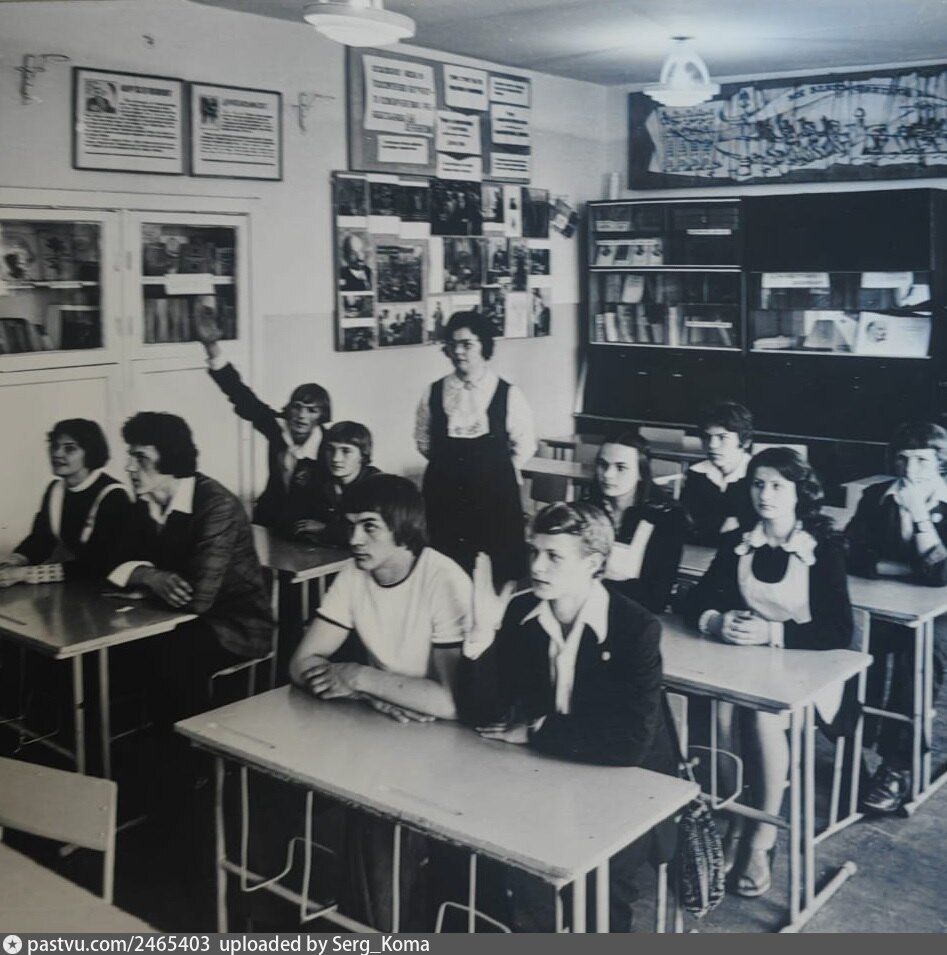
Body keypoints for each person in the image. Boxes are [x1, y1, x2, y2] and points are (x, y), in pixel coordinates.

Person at [458, 503, 677, 931]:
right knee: (485, 850)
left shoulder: (635, 628)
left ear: (593, 563)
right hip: (555, 772)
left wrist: (536, 730)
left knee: (599, 881)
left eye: (554, 556)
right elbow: (484, 716)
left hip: (631, 788)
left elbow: (630, 743)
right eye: (534, 552)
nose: (537, 566)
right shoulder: (521, 613)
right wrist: (482, 635)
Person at [289, 474, 471, 930]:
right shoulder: (355, 573)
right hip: (385, 728)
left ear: (403, 529)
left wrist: (360, 676)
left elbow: (451, 702)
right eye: (351, 524)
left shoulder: (443, 579)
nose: (354, 539)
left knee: (376, 825)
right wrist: (367, 694)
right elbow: (301, 662)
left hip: (449, 744)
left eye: (369, 526)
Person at [685, 447, 853, 898]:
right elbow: (696, 600)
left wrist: (772, 633)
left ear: (800, 492)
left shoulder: (822, 547)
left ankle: (762, 836)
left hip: (810, 670)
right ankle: (736, 816)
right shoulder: (740, 541)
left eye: (778, 485)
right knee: (716, 708)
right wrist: (717, 622)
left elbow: (839, 629)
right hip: (750, 665)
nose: (766, 494)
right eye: (759, 484)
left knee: (761, 714)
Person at [107, 412, 272, 719]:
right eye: (130, 456)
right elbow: (110, 560)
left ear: (171, 459)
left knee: (173, 654)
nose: (129, 467)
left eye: (140, 458)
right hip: (169, 616)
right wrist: (149, 576)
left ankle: (184, 744)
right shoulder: (145, 500)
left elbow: (198, 599)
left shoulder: (216, 505)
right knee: (116, 650)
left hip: (234, 624)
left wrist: (141, 581)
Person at [845, 421, 947, 813]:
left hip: (940, 616)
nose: (910, 470)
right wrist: (911, 570)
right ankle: (853, 745)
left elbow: (942, 575)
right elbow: (851, 553)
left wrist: (919, 514)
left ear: (940, 462)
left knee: (919, 656)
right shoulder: (876, 496)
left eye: (922, 460)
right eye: (903, 459)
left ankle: (896, 765)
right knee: (851, 640)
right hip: (888, 602)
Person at [415, 311, 536, 586]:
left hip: (494, 501)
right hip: (444, 499)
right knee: (446, 576)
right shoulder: (433, 392)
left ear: (484, 346)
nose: (458, 352)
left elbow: (525, 444)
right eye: (452, 344)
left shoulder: (508, 394)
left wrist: (496, 471)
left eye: (467, 344)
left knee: (495, 576)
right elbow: (423, 441)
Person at [195, 312, 331, 537]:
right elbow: (240, 395)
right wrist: (211, 346)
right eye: (297, 407)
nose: (301, 416)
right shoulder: (278, 427)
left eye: (311, 410)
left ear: (322, 416)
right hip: (269, 521)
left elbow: (350, 494)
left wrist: (328, 527)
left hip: (308, 532)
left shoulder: (330, 446)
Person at [0, 419, 131, 585]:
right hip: (80, 583)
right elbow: (41, 540)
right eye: (54, 446)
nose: (57, 453)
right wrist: (12, 563)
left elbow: (99, 563)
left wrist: (26, 574)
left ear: (90, 452)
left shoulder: (114, 495)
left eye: (69, 448)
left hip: (112, 585)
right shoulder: (55, 490)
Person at [584, 432, 686, 614]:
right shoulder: (586, 509)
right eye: (602, 464)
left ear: (641, 473)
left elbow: (657, 597)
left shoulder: (667, 517)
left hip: (632, 615)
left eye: (621, 467)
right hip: (584, 608)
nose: (608, 475)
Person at [682, 400, 756, 545]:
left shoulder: (757, 476)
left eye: (722, 437)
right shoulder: (696, 473)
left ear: (744, 441)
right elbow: (688, 523)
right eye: (707, 437)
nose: (712, 445)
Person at [296, 420, 380, 547]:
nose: (336, 458)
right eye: (330, 449)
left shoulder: (377, 485)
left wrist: (325, 529)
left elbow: (373, 534)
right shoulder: (320, 477)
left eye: (346, 451)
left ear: (362, 456)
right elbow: (297, 522)